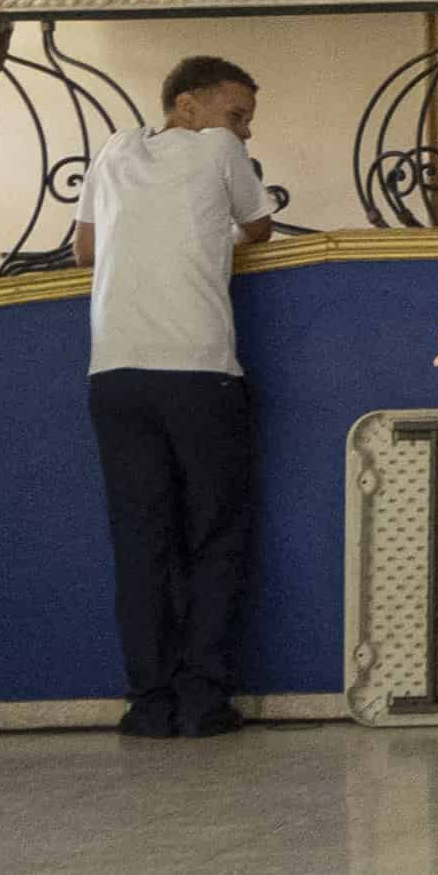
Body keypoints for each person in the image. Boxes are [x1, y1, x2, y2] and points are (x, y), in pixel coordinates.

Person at [71, 55, 277, 737]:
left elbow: (83, 251)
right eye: (236, 113)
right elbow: (261, 229)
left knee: (139, 542)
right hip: (199, 371)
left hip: (115, 372)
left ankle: (148, 705)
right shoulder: (217, 150)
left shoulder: (114, 149)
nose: (243, 131)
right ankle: (203, 700)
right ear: (186, 106)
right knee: (214, 537)